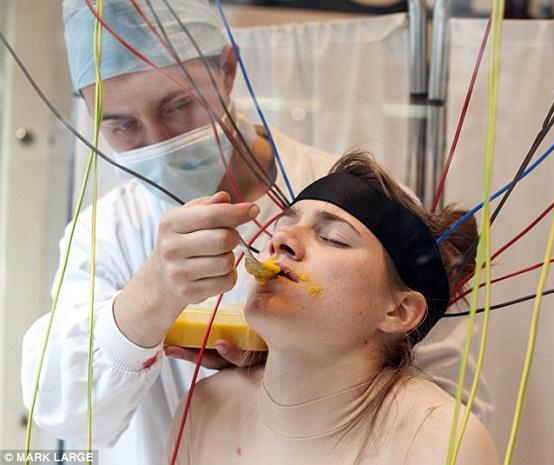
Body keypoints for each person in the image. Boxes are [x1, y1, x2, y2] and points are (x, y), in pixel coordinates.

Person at [21, 2, 492, 464]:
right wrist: (151, 295)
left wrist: (305, 373)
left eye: (179, 106)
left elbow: (447, 409)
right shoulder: (108, 232)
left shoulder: (364, 199)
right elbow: (63, 410)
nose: (159, 139)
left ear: (228, 69)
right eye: (122, 125)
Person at [165, 151, 498, 465]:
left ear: (399, 311)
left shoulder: (444, 442)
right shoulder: (204, 409)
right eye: (280, 227)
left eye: (333, 237)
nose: (280, 241)